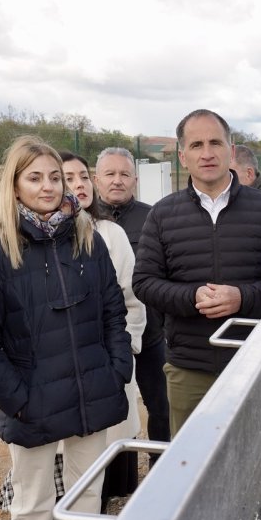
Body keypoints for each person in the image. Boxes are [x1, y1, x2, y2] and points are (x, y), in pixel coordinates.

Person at [0, 136, 132, 520]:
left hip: (91, 397)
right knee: (33, 507)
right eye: (34, 178)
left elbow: (112, 313)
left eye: (55, 177)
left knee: (87, 500)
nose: (47, 187)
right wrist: (18, 401)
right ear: (14, 185)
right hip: (32, 406)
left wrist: (116, 372)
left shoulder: (88, 240)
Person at [132, 109, 261, 435]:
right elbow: (144, 282)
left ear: (231, 149)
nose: (208, 152)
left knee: (254, 457)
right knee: (190, 464)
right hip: (189, 368)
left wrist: (242, 298)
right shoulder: (162, 215)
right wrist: (191, 296)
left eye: (215, 142)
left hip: (253, 361)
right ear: (183, 157)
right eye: (197, 145)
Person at [61, 150, 147, 504]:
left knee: (108, 438)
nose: (78, 185)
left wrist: (127, 348)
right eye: (67, 178)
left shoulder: (111, 233)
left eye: (83, 176)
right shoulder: (26, 238)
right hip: (59, 368)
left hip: (107, 359)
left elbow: (132, 297)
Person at [93, 148, 170, 457]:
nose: (117, 181)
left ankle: (160, 471)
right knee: (110, 413)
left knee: (161, 407)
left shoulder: (154, 217)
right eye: (109, 174)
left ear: (135, 180)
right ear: (96, 179)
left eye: (124, 174)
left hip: (151, 335)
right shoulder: (82, 219)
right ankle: (112, 480)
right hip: (101, 340)